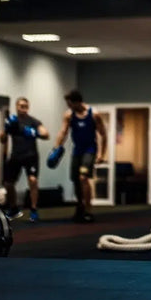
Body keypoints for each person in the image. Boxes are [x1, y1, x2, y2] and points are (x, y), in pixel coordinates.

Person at [53, 90, 108, 223]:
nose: (69, 107)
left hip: (90, 150)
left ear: (77, 102)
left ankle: (88, 210)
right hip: (77, 151)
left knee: (83, 177)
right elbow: (63, 132)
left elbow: (103, 134)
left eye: (70, 104)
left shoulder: (94, 114)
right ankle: (80, 206)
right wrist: (56, 148)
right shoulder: (69, 115)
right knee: (76, 180)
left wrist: (102, 154)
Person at [0, 97, 49, 222]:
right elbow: (2, 140)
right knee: (8, 183)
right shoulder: (12, 121)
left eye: (25, 106)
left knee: (32, 180)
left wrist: (34, 133)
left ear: (28, 107)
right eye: (21, 106)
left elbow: (46, 134)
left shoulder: (33, 121)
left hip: (30, 156)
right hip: (16, 155)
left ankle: (33, 210)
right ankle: (14, 209)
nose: (23, 109)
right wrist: (4, 131)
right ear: (16, 106)